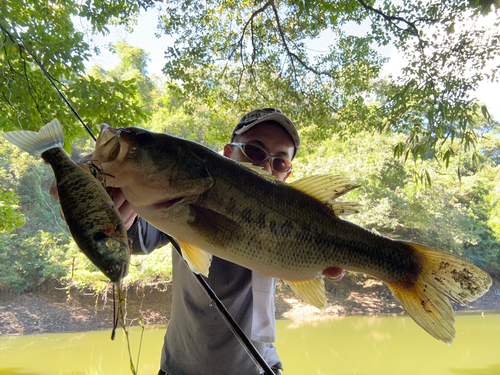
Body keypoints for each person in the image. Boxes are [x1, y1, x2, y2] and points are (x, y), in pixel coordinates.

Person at [57, 108, 344, 374]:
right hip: (180, 368)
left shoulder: (293, 224)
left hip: (261, 367)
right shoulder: (178, 202)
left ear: (288, 173)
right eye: (255, 152)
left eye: (280, 160)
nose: (268, 166)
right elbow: (135, 237)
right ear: (228, 154)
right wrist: (106, 211)